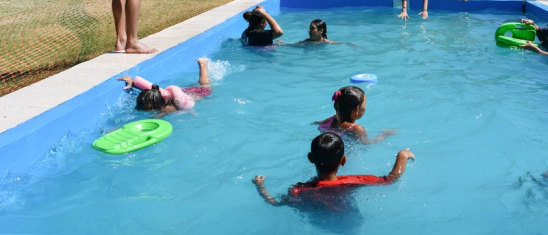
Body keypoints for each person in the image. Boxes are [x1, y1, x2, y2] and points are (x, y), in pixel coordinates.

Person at [252, 133, 415, 206]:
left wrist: (260, 186)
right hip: (350, 223)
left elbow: (275, 203)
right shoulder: (353, 182)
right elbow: (391, 180)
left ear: (310, 158)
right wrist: (402, 155)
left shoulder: (299, 190)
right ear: (343, 160)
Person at [118, 58, 212, 116]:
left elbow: (157, 117)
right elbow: (145, 89)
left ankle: (203, 64)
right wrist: (130, 81)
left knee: (206, 86)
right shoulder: (154, 95)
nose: (142, 105)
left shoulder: (167, 108)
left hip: (195, 94)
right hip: (180, 93)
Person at [314, 86, 395, 144]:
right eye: (365, 105)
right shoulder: (356, 128)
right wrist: (385, 135)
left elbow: (318, 123)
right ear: (356, 110)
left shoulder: (330, 119)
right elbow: (367, 143)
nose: (365, 107)